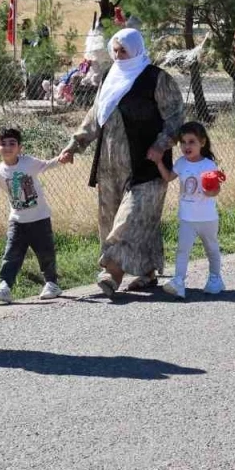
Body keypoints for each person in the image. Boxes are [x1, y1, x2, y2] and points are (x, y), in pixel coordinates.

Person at [58, 28, 185, 299]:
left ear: (137, 49)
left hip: (147, 163)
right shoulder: (109, 77)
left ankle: (113, 271)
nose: (118, 55)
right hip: (109, 164)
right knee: (117, 218)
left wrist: (161, 145)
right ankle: (147, 271)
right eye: (114, 51)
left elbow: (175, 117)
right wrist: (75, 145)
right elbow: (95, 116)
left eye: (123, 51)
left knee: (131, 218)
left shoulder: (156, 79)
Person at [0, 126, 63, 303]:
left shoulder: (28, 162)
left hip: (40, 218)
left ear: (20, 147)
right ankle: (5, 287)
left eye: (12, 143)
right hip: (17, 221)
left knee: (45, 252)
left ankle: (52, 284)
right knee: (11, 255)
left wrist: (61, 158)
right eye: (3, 143)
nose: (8, 147)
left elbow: (47, 165)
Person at [150, 121, 225, 299]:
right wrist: (159, 162)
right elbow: (168, 177)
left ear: (202, 143)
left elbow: (215, 191)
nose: (186, 146)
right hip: (187, 218)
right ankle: (179, 281)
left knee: (212, 249)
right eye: (183, 142)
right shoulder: (181, 163)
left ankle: (215, 279)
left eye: (191, 142)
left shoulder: (209, 165)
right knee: (182, 250)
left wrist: (210, 190)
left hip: (207, 218)